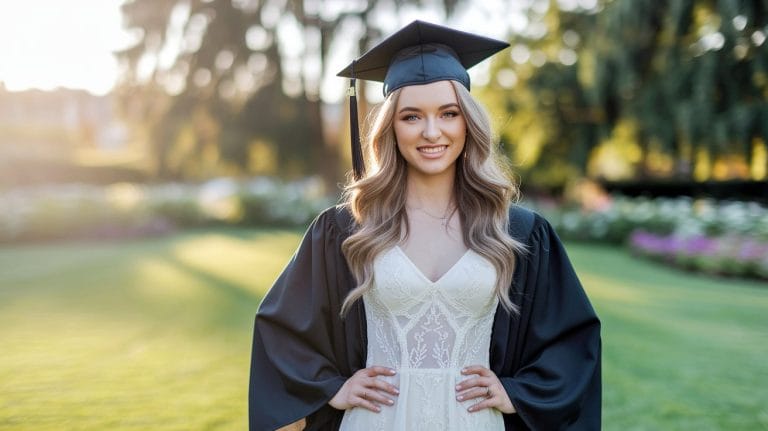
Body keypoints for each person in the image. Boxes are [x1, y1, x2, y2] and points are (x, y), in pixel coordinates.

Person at [249, 20, 601, 431]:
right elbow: (281, 330)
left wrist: (518, 393)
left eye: (448, 113)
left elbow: (572, 341)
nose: (432, 132)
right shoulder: (347, 230)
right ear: (390, 128)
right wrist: (331, 389)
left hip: (474, 422)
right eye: (412, 117)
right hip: (374, 421)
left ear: (468, 122)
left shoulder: (517, 233)